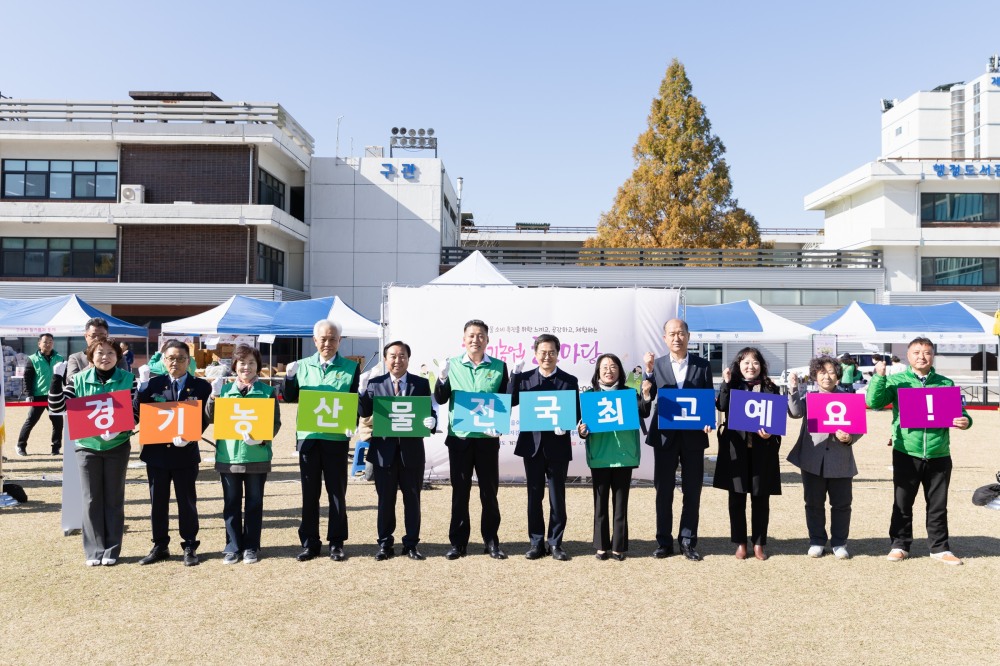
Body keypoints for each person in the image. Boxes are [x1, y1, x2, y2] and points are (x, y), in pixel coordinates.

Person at [866, 337, 972, 565]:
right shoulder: (897, 381)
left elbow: (961, 413)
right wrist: (879, 377)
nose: (922, 357)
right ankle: (900, 545)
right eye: (916, 352)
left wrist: (965, 421)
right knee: (902, 503)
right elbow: (874, 402)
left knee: (938, 505)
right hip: (906, 451)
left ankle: (940, 548)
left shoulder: (945, 382)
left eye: (927, 352)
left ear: (933, 356)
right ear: (908, 356)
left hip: (939, 453)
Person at [48, 338, 137, 566]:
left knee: (114, 498)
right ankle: (94, 550)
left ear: (118, 357)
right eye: (100, 353)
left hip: (117, 446)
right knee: (90, 498)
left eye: (110, 353)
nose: (105, 357)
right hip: (87, 447)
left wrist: (119, 428)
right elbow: (56, 407)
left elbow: (136, 412)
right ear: (91, 356)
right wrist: (56, 379)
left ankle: (112, 549)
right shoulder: (78, 379)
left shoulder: (128, 379)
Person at [282, 320, 359, 562]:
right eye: (323, 339)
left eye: (332, 339)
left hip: (336, 439)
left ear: (339, 341)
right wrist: (289, 377)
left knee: (337, 493)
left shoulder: (351, 368)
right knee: (309, 494)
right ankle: (310, 543)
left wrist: (353, 423)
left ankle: (336, 542)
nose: (328, 343)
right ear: (315, 341)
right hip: (309, 439)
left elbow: (354, 401)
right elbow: (289, 397)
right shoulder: (302, 366)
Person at [433, 319, 510, 560]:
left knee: (489, 492)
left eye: (480, 336)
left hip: (487, 440)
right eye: (471, 335)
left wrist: (499, 426)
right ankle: (458, 543)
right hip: (460, 439)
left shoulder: (499, 366)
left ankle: (491, 542)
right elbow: (441, 398)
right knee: (460, 492)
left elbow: (505, 400)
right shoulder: (453, 365)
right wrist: (442, 378)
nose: (476, 339)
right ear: (464, 339)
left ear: (487, 340)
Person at [639, 318, 714, 561]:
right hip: (665, 436)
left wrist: (708, 420)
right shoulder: (657, 365)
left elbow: (708, 399)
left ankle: (688, 541)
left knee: (693, 490)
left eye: (680, 333)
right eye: (671, 334)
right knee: (663, 490)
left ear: (688, 336)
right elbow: (646, 401)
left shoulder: (703, 365)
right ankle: (664, 542)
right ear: (664, 338)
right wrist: (647, 379)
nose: (676, 338)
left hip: (694, 437)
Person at [133, 340, 212, 567]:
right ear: (163, 360)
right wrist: (141, 387)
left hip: (185, 454)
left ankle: (189, 544)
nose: (175, 362)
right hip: (156, 454)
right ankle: (160, 545)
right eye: (170, 358)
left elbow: (206, 417)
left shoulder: (201, 386)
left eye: (180, 358)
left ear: (189, 360)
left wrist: (191, 435)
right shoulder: (153, 384)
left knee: (186, 502)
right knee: (157, 502)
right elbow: (137, 411)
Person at [357, 341, 436, 561]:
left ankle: (411, 544)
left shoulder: (420, 384)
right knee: (385, 500)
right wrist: (362, 391)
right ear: (385, 359)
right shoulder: (375, 383)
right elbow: (363, 411)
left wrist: (432, 422)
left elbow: (429, 412)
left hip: (412, 452)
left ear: (408, 359)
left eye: (402, 356)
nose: (397, 360)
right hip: (383, 452)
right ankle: (385, 544)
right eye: (392, 356)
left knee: (413, 500)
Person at [206, 344, 281, 565]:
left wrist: (262, 438)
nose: (246, 367)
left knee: (254, 503)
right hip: (228, 456)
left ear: (258, 366)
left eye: (251, 363)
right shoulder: (225, 391)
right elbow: (210, 417)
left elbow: (275, 423)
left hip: (257, 456)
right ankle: (232, 547)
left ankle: (251, 546)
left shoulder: (267, 392)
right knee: (231, 503)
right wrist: (213, 395)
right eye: (242, 363)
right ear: (234, 366)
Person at [509, 334, 580, 561]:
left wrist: (566, 425)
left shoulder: (569, 380)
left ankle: (556, 543)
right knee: (534, 496)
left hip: (558, 447)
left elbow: (576, 413)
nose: (547, 356)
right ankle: (536, 542)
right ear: (535, 353)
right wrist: (514, 375)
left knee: (557, 497)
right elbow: (509, 401)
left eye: (551, 352)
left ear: (558, 354)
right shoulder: (525, 378)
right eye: (543, 352)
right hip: (532, 446)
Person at [786, 355, 862, 560]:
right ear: (814, 375)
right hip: (812, 459)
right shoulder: (809, 397)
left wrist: (850, 438)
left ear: (838, 375)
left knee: (842, 504)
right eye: (821, 372)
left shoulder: (849, 398)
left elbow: (858, 428)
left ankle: (839, 542)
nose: (826, 376)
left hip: (840, 458)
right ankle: (817, 540)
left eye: (831, 372)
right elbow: (795, 412)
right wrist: (793, 388)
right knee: (813, 503)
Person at [714, 347, 782, 561]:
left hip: (763, 451)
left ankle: (759, 543)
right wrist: (725, 383)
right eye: (746, 362)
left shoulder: (771, 387)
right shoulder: (733, 385)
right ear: (738, 365)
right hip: (736, 450)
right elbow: (721, 406)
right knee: (736, 499)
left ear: (761, 365)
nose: (750, 366)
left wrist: (770, 433)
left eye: (755, 362)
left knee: (761, 499)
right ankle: (740, 543)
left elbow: (777, 419)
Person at [577, 353, 640, 561]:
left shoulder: (629, 393)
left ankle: (619, 546)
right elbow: (583, 426)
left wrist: (647, 394)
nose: (608, 371)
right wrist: (582, 431)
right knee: (600, 503)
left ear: (620, 371)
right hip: (600, 456)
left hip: (624, 456)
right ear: (597, 372)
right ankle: (601, 545)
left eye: (613, 366)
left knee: (621, 504)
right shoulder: (589, 396)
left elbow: (644, 411)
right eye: (604, 367)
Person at [16, 333, 64, 456]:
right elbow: (27, 378)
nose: (48, 344)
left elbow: (64, 377)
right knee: (31, 421)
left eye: (50, 342)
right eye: (45, 342)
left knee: (58, 423)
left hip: (55, 395)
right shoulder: (32, 358)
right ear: (39, 344)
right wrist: (29, 394)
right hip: (38, 395)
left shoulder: (60, 358)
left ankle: (56, 448)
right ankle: (20, 446)